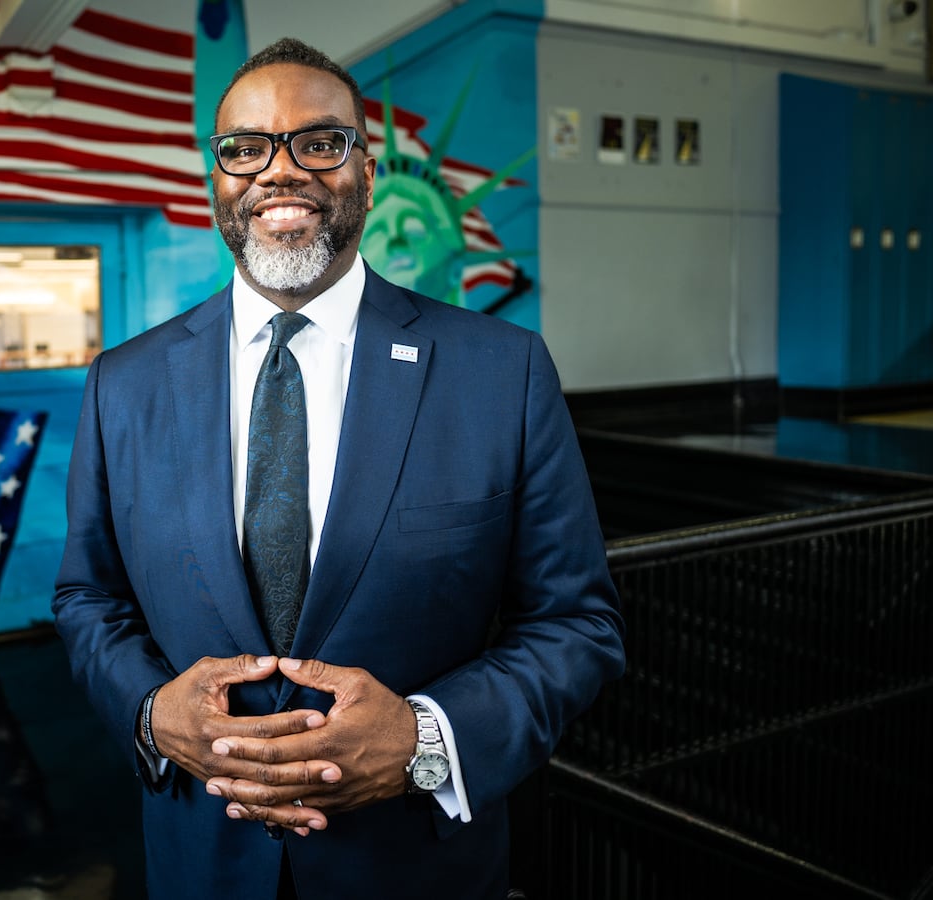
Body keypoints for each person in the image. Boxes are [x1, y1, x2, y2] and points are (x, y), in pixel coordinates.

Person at [52, 37, 625, 900]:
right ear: (217, 177)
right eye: (245, 148)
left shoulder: (499, 371)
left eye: (320, 142)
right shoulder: (124, 383)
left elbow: (576, 624)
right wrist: (150, 711)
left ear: (364, 166)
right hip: (201, 861)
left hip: (415, 865)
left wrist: (427, 741)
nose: (280, 171)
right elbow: (87, 597)